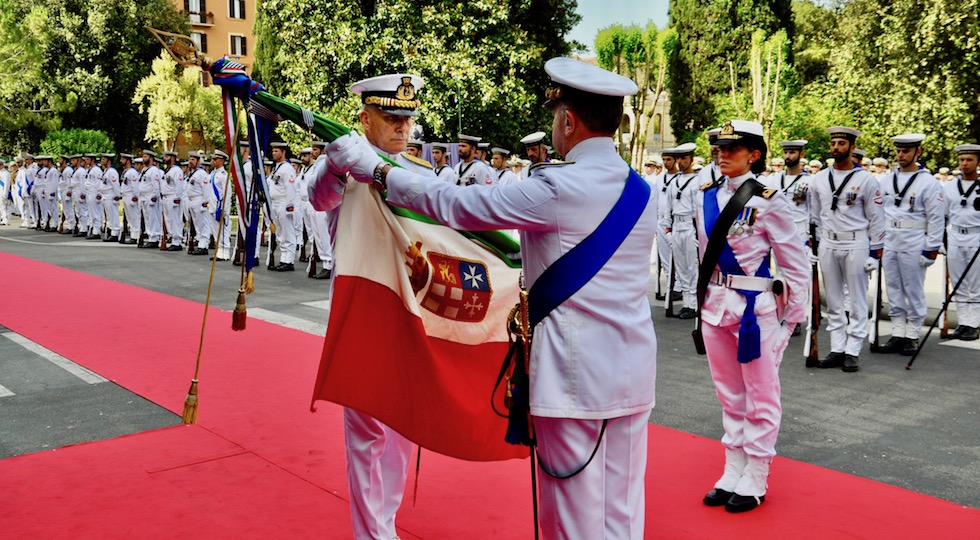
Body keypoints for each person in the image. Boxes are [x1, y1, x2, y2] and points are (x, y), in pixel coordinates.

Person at [321, 58, 657, 539]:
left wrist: (377, 171)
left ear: (568, 120)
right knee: (622, 512)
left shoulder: (556, 186)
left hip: (573, 379)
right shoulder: (643, 190)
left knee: (573, 517)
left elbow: (456, 206)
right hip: (632, 372)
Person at [306, 72, 437, 540]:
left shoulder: (422, 172)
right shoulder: (341, 160)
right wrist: (339, 165)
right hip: (363, 308)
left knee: (402, 429)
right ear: (364, 118)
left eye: (407, 118)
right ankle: (372, 534)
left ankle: (387, 523)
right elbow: (318, 197)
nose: (402, 127)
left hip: (408, 309)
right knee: (366, 436)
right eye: (390, 117)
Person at [696, 120, 809, 513]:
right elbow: (703, 255)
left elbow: (795, 266)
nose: (721, 154)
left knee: (760, 396)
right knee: (729, 394)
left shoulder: (768, 200)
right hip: (715, 306)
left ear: (754, 155)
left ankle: (757, 473)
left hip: (753, 311)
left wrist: (789, 322)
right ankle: (733, 468)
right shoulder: (704, 194)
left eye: (732, 148)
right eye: (719, 148)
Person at [809, 127, 886, 372]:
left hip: (856, 242)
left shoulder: (866, 179)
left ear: (852, 148)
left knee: (857, 300)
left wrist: (876, 252)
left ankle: (853, 350)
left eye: (841, 144)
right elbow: (814, 215)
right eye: (833, 143)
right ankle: (837, 348)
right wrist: (810, 242)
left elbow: (876, 218)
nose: (836, 148)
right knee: (832, 300)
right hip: (829, 242)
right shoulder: (819, 178)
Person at [874, 134, 944, 355]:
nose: (901, 155)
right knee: (893, 287)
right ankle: (897, 333)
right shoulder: (886, 179)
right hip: (891, 238)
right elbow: (878, 212)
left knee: (913, 289)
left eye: (906, 151)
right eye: (899, 151)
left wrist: (931, 248)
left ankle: (912, 335)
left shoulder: (928, 182)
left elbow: (936, 217)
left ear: (918, 152)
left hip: (914, 239)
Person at [944, 144, 980, 340]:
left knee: (976, 283)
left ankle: (973, 323)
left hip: (976, 236)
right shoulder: (950, 186)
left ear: (978, 162)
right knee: (958, 282)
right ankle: (963, 322)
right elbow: (943, 215)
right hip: (956, 235)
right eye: (962, 160)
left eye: (969, 160)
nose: (965, 164)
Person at [665, 142, 700, 319]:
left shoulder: (697, 182)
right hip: (677, 226)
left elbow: (699, 209)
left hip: (690, 227)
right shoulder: (674, 182)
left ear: (691, 159)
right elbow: (667, 207)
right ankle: (686, 303)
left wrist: (698, 232)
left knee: (692, 266)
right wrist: (668, 230)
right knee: (681, 268)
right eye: (679, 158)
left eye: (684, 158)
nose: (680, 161)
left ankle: (693, 304)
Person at [268, 142, 298, 271]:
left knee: (288, 232)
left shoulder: (287, 168)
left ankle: (289, 260)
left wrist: (290, 207)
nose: (274, 153)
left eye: (276, 151)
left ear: (283, 152)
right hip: (274, 203)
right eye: (273, 151)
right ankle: (283, 258)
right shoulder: (276, 168)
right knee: (279, 232)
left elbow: (290, 188)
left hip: (283, 202)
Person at [184, 151, 212, 256]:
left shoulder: (202, 174)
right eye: (189, 159)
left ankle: (204, 245)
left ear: (198, 161)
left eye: (193, 160)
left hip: (199, 200)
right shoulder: (193, 173)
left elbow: (206, 189)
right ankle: (200, 242)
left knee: (203, 223)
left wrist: (205, 202)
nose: (190, 162)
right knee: (197, 224)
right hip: (192, 201)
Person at [210, 150, 233, 260]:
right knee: (215, 231)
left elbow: (227, 193)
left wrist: (224, 209)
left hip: (220, 206)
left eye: (215, 159)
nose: (212, 161)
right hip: (212, 206)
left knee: (223, 230)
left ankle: (225, 253)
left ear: (222, 161)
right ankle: (219, 251)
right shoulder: (213, 173)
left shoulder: (224, 175)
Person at [161, 151, 186, 251]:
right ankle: (172, 238)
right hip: (166, 197)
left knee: (175, 219)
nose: (164, 158)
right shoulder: (168, 170)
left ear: (172, 158)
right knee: (168, 220)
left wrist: (177, 198)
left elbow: (179, 186)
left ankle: (177, 241)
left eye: (167, 157)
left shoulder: (177, 170)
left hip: (173, 197)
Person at [139, 150, 164, 249]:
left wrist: (154, 196)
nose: (143, 159)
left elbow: (156, 185)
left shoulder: (154, 170)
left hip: (150, 197)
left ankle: (154, 238)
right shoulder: (145, 169)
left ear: (151, 158)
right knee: (147, 218)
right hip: (144, 197)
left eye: (145, 157)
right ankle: (150, 236)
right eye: (143, 156)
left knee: (153, 218)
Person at [98, 154, 121, 241]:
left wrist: (116, 196)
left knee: (113, 215)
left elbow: (115, 184)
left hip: (111, 195)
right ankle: (112, 231)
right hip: (106, 195)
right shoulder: (106, 171)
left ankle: (115, 232)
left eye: (104, 159)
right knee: (109, 215)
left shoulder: (112, 172)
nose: (102, 161)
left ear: (108, 161)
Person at [119, 153, 141, 244]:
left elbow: (135, 186)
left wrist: (134, 197)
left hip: (130, 196)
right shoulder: (126, 171)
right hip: (125, 196)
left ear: (127, 160)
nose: (121, 161)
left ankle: (135, 236)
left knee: (134, 217)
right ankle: (133, 235)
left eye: (123, 159)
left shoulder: (132, 172)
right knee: (129, 217)